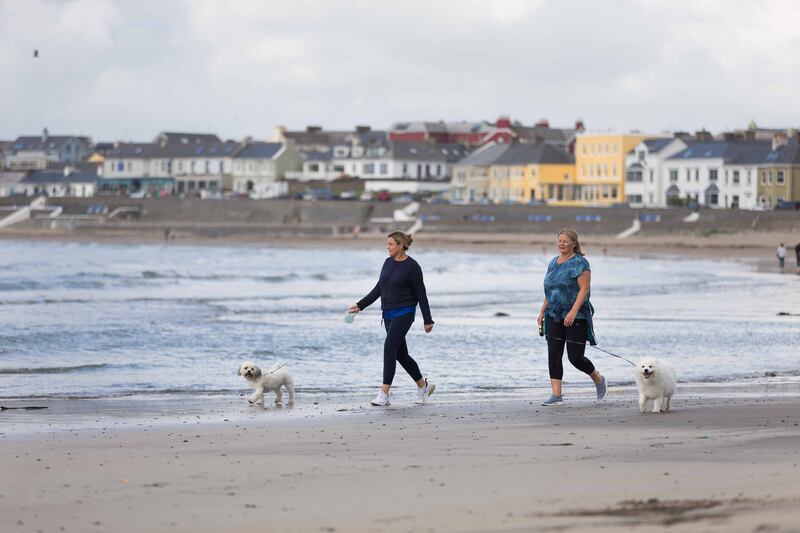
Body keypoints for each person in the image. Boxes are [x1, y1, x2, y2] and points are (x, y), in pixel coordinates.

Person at [349, 231, 435, 406]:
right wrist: (360, 305)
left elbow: (421, 294)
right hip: (388, 313)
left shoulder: (413, 266)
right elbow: (379, 288)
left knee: (389, 348)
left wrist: (428, 319)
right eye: (387, 244)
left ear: (400, 245)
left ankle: (384, 394)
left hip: (405, 312)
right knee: (401, 354)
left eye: (390, 244)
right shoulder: (387, 263)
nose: (387, 247)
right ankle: (422, 386)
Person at [536, 228, 607, 406]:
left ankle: (598, 379)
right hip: (554, 313)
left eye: (565, 241)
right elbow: (550, 289)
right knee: (554, 354)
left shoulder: (581, 263)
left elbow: (584, 290)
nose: (561, 243)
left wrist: (574, 311)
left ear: (574, 243)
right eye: (559, 240)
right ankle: (556, 395)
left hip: (577, 315)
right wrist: (542, 311)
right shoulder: (553, 262)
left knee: (575, 357)